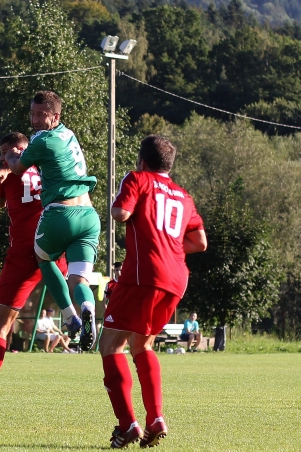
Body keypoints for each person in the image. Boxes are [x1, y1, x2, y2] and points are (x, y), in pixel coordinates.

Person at [99, 135, 207, 448]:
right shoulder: (183, 195)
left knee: (111, 345)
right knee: (142, 345)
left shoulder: (137, 178)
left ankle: (127, 424)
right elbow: (199, 242)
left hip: (143, 273)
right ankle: (156, 417)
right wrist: (168, 244)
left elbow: (120, 213)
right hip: (176, 279)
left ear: (142, 161)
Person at [0, 132, 67, 419]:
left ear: (22, 149)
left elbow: (0, 201)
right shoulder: (51, 164)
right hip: (54, 245)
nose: (1, 156)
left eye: (6, 150)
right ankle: (79, 317)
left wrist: (6, 172)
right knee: (78, 284)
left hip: (23, 252)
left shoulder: (8, 175)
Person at [5, 90, 101, 352]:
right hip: (89, 216)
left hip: (61, 212)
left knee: (44, 258)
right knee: (79, 280)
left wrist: (11, 155)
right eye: (33, 113)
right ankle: (88, 309)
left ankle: (70, 318)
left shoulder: (42, 139)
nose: (35, 120)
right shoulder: (68, 134)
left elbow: (18, 168)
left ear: (55, 116)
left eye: (41, 114)